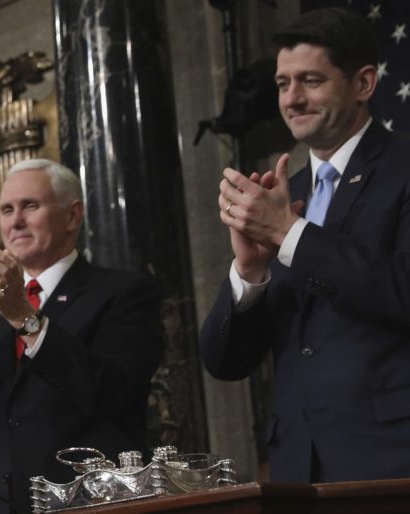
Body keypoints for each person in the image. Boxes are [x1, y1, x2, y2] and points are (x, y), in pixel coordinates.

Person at [201, 7, 410, 483]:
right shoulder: (284, 195)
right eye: (282, 84)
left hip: (393, 461)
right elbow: (224, 362)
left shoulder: (402, 167)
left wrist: (290, 235)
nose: (292, 99)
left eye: (310, 81)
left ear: (364, 84)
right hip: (298, 470)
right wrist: (249, 273)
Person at [0, 158, 164, 514]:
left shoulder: (124, 293)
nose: (15, 220)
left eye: (30, 206)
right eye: (6, 210)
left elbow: (115, 392)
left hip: (91, 504)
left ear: (72, 216)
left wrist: (26, 318)